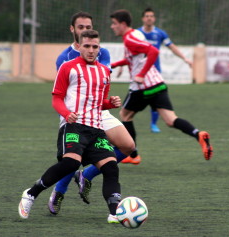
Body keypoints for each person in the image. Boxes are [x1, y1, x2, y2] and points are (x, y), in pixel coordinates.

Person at [18, 30, 122, 224]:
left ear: (99, 48)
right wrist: (67, 114)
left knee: (111, 167)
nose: (91, 50)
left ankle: (115, 213)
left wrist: (111, 103)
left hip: (96, 129)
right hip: (73, 126)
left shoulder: (104, 72)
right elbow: (57, 98)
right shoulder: (68, 67)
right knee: (71, 164)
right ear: (80, 47)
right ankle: (31, 194)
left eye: (95, 47)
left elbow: (99, 102)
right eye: (87, 46)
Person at [47, 12, 137, 219]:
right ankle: (58, 192)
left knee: (128, 146)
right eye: (80, 27)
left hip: (98, 110)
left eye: (88, 26)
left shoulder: (101, 51)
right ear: (73, 30)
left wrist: (109, 102)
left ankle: (86, 175)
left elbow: (101, 76)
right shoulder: (64, 58)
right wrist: (69, 114)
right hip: (76, 114)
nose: (84, 30)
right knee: (74, 158)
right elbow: (64, 92)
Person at [109, 9, 213, 163]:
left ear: (123, 24)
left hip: (142, 87)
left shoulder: (130, 38)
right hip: (157, 83)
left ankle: (133, 155)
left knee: (125, 115)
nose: (112, 27)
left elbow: (153, 51)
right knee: (171, 120)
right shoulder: (137, 34)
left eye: (114, 23)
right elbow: (135, 58)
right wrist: (115, 65)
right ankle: (198, 134)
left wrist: (142, 74)